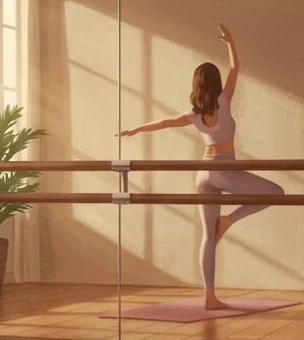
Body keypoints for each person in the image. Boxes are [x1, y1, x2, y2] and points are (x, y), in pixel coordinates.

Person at [118, 23, 283, 310]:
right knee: (277, 193)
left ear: (196, 85)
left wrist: (135, 129)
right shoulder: (224, 99)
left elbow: (163, 123)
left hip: (203, 172)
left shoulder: (193, 114)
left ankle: (209, 296)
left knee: (208, 236)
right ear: (215, 83)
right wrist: (230, 41)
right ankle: (229, 220)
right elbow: (235, 69)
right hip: (224, 170)